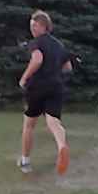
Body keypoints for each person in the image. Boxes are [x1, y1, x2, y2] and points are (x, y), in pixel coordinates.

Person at [17, 10, 72, 176]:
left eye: (35, 25)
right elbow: (68, 67)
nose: (32, 29)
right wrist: (56, 74)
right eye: (31, 26)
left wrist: (24, 78)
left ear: (44, 26)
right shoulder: (59, 45)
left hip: (37, 87)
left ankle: (25, 161)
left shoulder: (36, 43)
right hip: (56, 87)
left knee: (29, 124)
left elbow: (37, 59)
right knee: (53, 121)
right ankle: (61, 145)